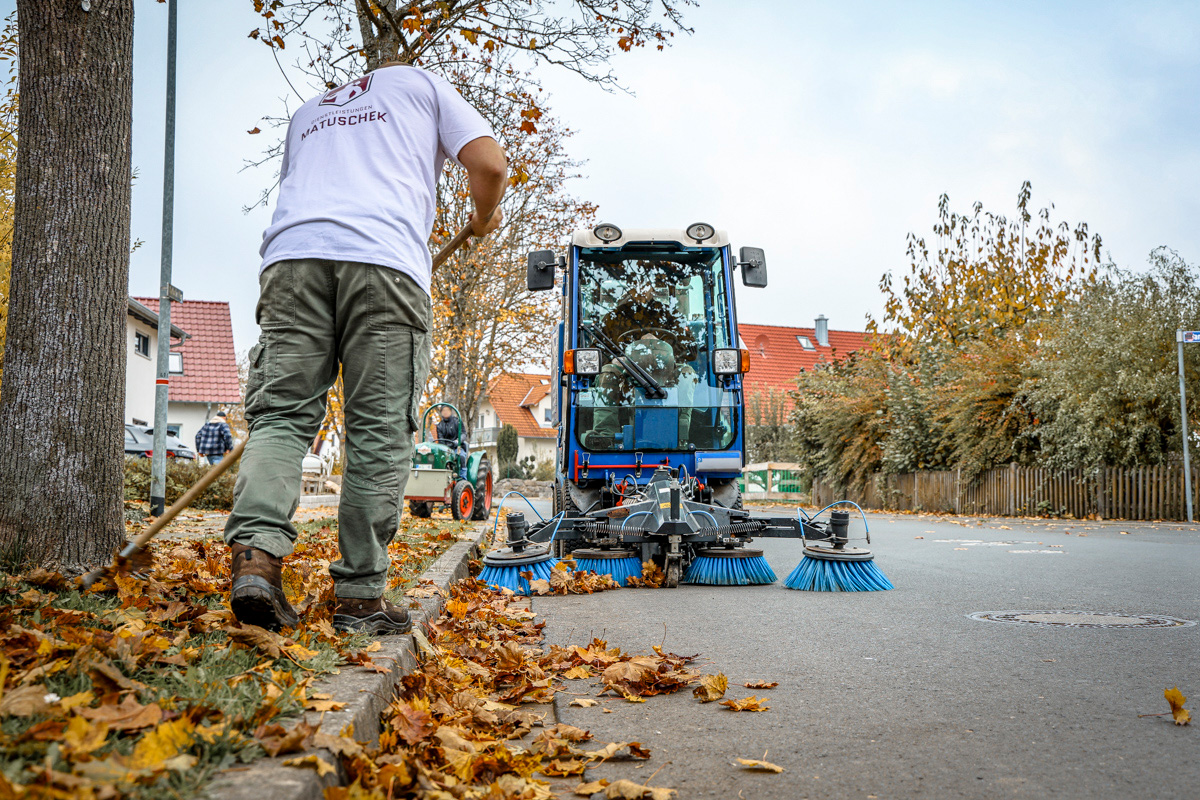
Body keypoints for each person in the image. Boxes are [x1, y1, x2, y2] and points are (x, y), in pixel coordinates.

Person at [223, 62, 507, 636]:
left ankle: (255, 562)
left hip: (292, 259)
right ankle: (359, 597)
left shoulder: (308, 113)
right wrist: (482, 216)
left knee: (281, 419)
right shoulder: (423, 84)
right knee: (378, 429)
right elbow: (490, 164)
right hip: (383, 259)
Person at [435, 406, 469, 480]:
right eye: (443, 410)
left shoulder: (457, 421)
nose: (445, 412)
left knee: (461, 456)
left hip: (457, 447)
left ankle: (463, 477)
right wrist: (445, 447)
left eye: (447, 410)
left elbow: (463, 434)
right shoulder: (439, 426)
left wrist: (458, 441)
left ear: (451, 411)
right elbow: (441, 440)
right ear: (441, 412)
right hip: (445, 449)